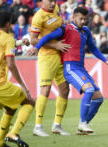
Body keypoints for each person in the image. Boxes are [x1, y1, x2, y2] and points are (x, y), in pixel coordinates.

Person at [29, 7, 108, 135]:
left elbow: (93, 48)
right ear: (73, 17)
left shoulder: (86, 31)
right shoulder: (65, 29)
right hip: (70, 68)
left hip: (81, 68)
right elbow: (47, 37)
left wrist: (105, 60)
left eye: (85, 19)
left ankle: (83, 125)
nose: (83, 21)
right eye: (80, 18)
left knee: (98, 98)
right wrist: (36, 47)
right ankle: (82, 124)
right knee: (89, 90)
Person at [28, 0, 71, 137]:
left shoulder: (56, 8)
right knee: (45, 89)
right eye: (50, 1)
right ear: (42, 2)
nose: (53, 3)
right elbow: (33, 40)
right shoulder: (38, 17)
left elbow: (57, 23)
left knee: (65, 88)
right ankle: (38, 126)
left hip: (61, 55)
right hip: (47, 56)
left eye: (54, 0)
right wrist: (55, 45)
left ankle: (57, 125)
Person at [0, 11, 35, 147]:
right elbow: (11, 65)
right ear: (8, 23)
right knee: (29, 101)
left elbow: (1, 46)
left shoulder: (8, 40)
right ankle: (13, 133)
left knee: (10, 108)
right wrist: (23, 86)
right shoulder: (8, 38)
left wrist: (19, 42)